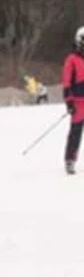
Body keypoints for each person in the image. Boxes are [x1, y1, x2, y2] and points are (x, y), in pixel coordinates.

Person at [61, 27, 84, 175]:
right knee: (75, 132)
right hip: (78, 102)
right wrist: (69, 102)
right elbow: (66, 82)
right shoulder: (72, 59)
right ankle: (70, 160)